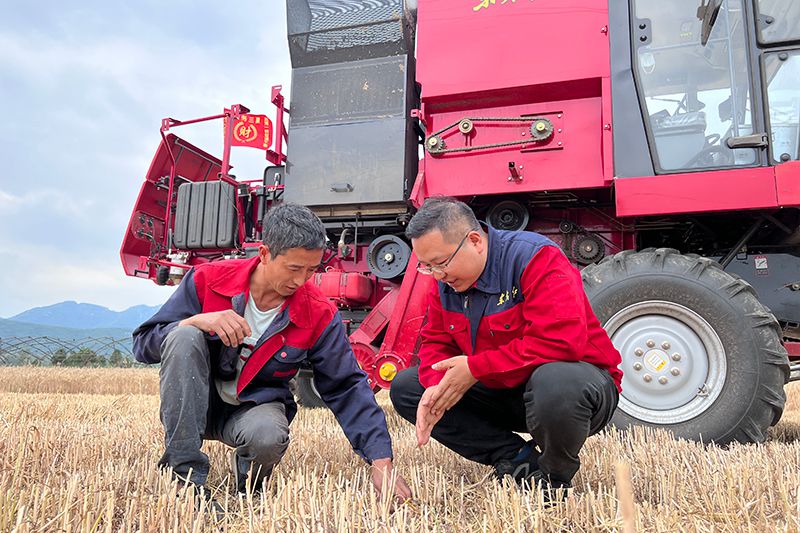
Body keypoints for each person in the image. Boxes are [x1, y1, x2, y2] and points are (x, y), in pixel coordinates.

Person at [133, 203, 411, 505]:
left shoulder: (317, 312)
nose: (301, 280)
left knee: (267, 436)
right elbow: (144, 345)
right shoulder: (206, 280)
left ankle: (248, 493)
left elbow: (346, 385)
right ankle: (184, 480)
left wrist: (381, 461)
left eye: (312, 269)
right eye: (293, 268)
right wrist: (195, 321)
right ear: (264, 254)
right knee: (184, 335)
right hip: (196, 403)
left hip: (252, 409)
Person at [389, 197, 622, 501]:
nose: (437, 275)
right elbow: (435, 342)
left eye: (442, 263)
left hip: (574, 393)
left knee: (556, 381)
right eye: (428, 267)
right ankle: (519, 459)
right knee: (408, 387)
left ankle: (553, 477)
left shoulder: (535, 258)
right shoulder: (446, 282)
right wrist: (438, 388)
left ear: (475, 241)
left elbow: (562, 342)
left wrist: (476, 368)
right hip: (505, 391)